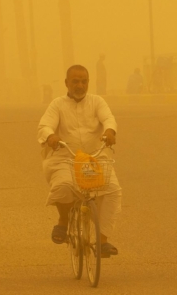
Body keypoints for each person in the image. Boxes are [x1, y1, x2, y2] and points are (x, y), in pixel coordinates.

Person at [37, 64, 121, 256]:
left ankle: (102, 241)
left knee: (112, 191)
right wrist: (51, 137)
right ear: (67, 83)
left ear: (88, 83)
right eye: (75, 81)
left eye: (84, 81)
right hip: (66, 158)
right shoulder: (57, 104)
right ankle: (64, 220)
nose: (80, 85)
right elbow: (45, 126)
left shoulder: (97, 102)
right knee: (64, 186)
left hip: (94, 158)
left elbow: (108, 119)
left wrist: (110, 131)